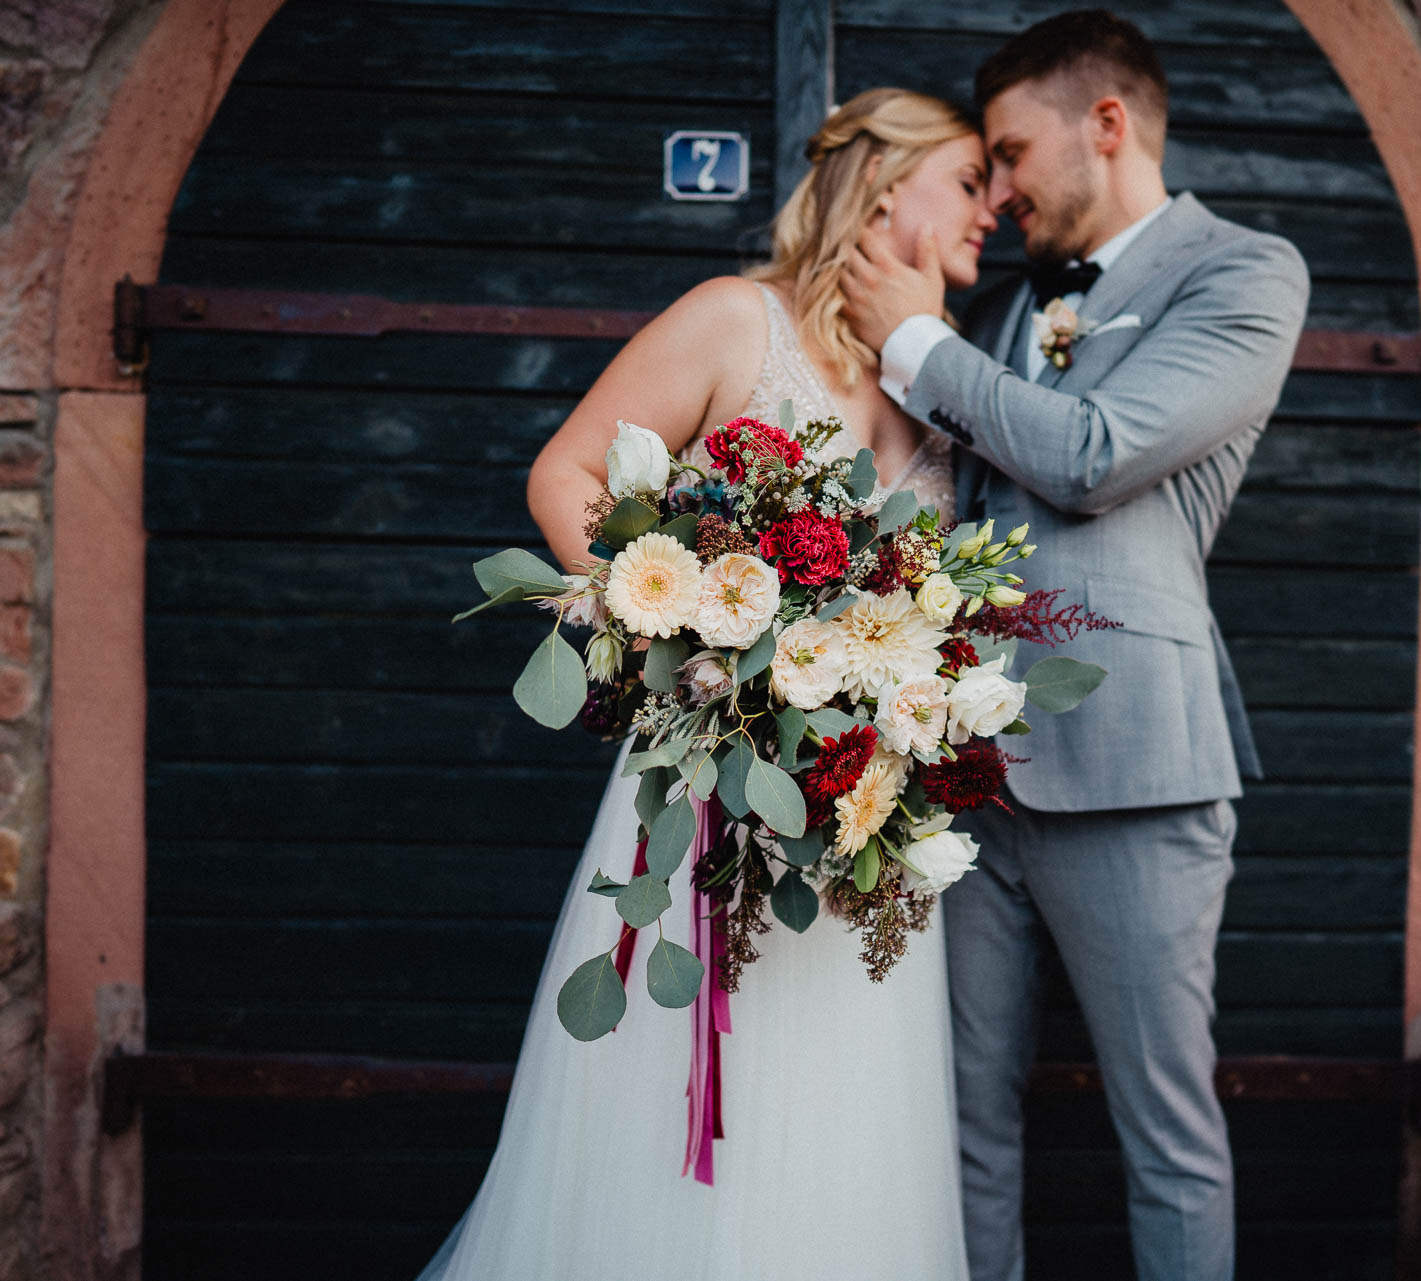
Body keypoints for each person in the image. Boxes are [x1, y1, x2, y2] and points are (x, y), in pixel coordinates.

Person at [416, 87, 994, 1281]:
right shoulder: (738, 320)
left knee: (845, 1121)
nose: (997, 212)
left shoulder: (945, 376)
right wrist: (681, 627)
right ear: (891, 190)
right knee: (672, 1114)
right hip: (710, 791)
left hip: (857, 828)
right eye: (974, 182)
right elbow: (567, 472)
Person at [840, 12, 1310, 1281]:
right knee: (964, 1122)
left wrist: (915, 342)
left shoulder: (1248, 274)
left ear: (1106, 125)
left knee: (1164, 1132)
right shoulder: (1002, 305)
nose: (998, 191)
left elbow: (1096, 458)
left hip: (1137, 776)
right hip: (965, 772)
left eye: (1008, 154)